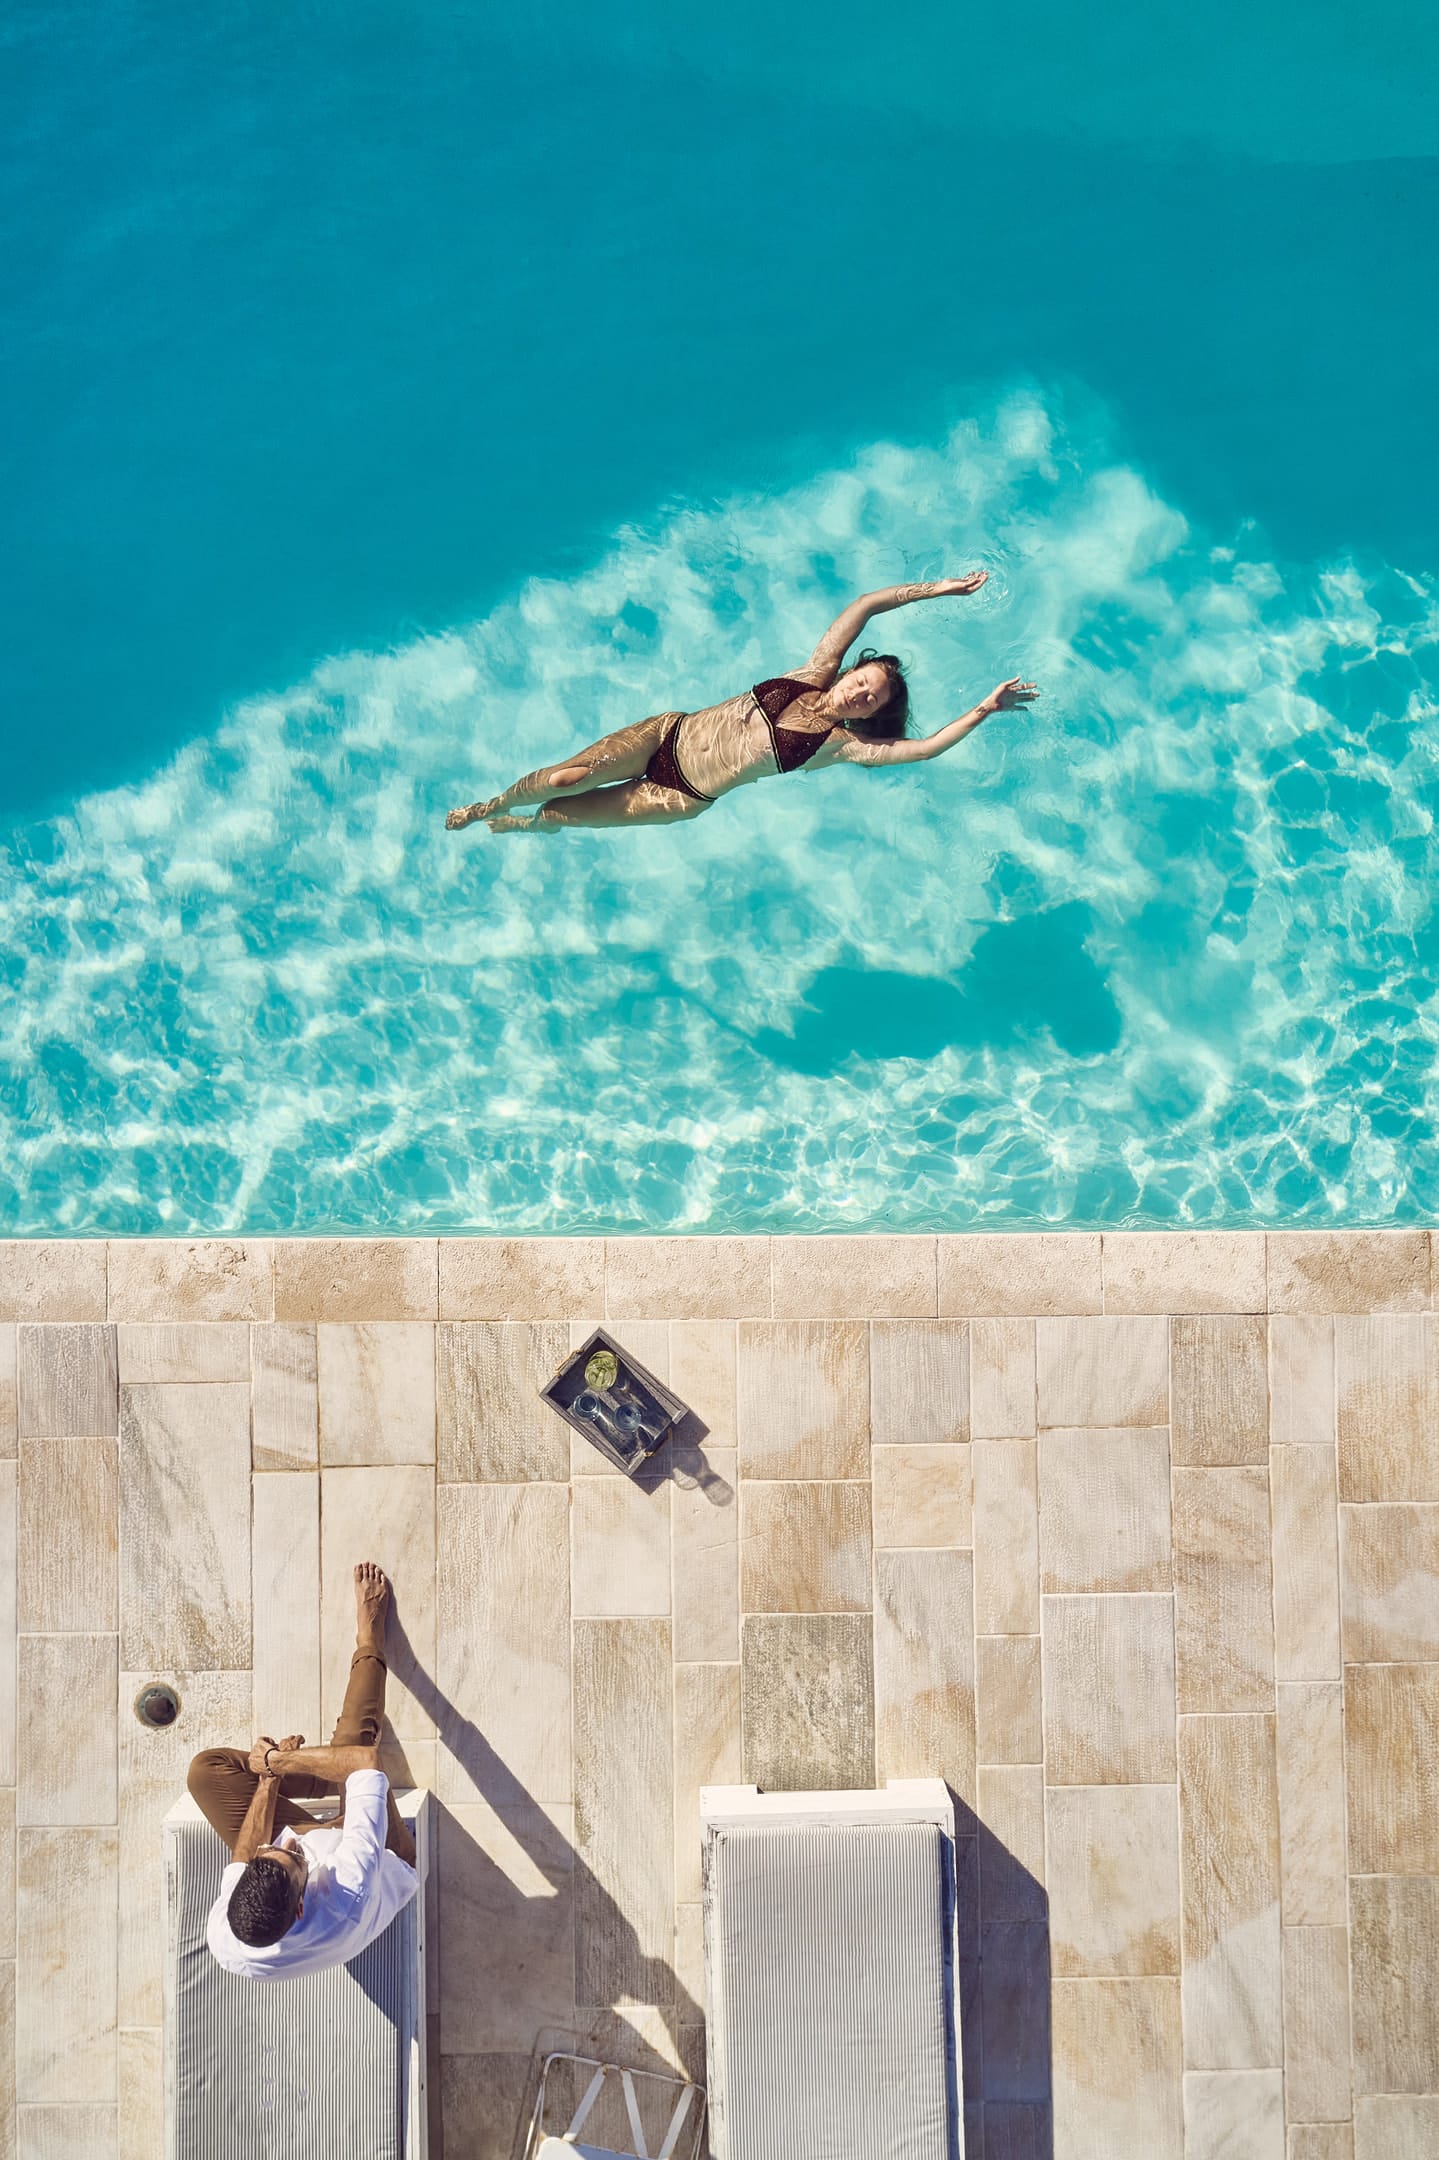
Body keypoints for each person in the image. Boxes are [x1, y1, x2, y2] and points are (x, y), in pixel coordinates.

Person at [445, 572, 1038, 834]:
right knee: (564, 777)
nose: (860, 693)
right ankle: (492, 804)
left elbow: (925, 749)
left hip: (679, 793)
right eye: (864, 680)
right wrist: (937, 590)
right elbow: (864, 606)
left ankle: (525, 826)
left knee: (560, 815)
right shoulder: (813, 672)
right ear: (851, 670)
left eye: (870, 700)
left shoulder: (841, 747)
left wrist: (985, 709)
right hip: (666, 734)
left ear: (869, 715)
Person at [186, 1561, 418, 1980]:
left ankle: (322, 1771)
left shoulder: (230, 1932)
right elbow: (366, 1763)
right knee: (354, 1746)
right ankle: (370, 1637)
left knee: (206, 1773)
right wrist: (277, 1761)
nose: (291, 1841)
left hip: (310, 1866)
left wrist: (269, 1780)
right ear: (300, 1907)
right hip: (387, 1856)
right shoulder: (347, 1891)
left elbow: (244, 1854)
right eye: (294, 1855)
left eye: (273, 1849)